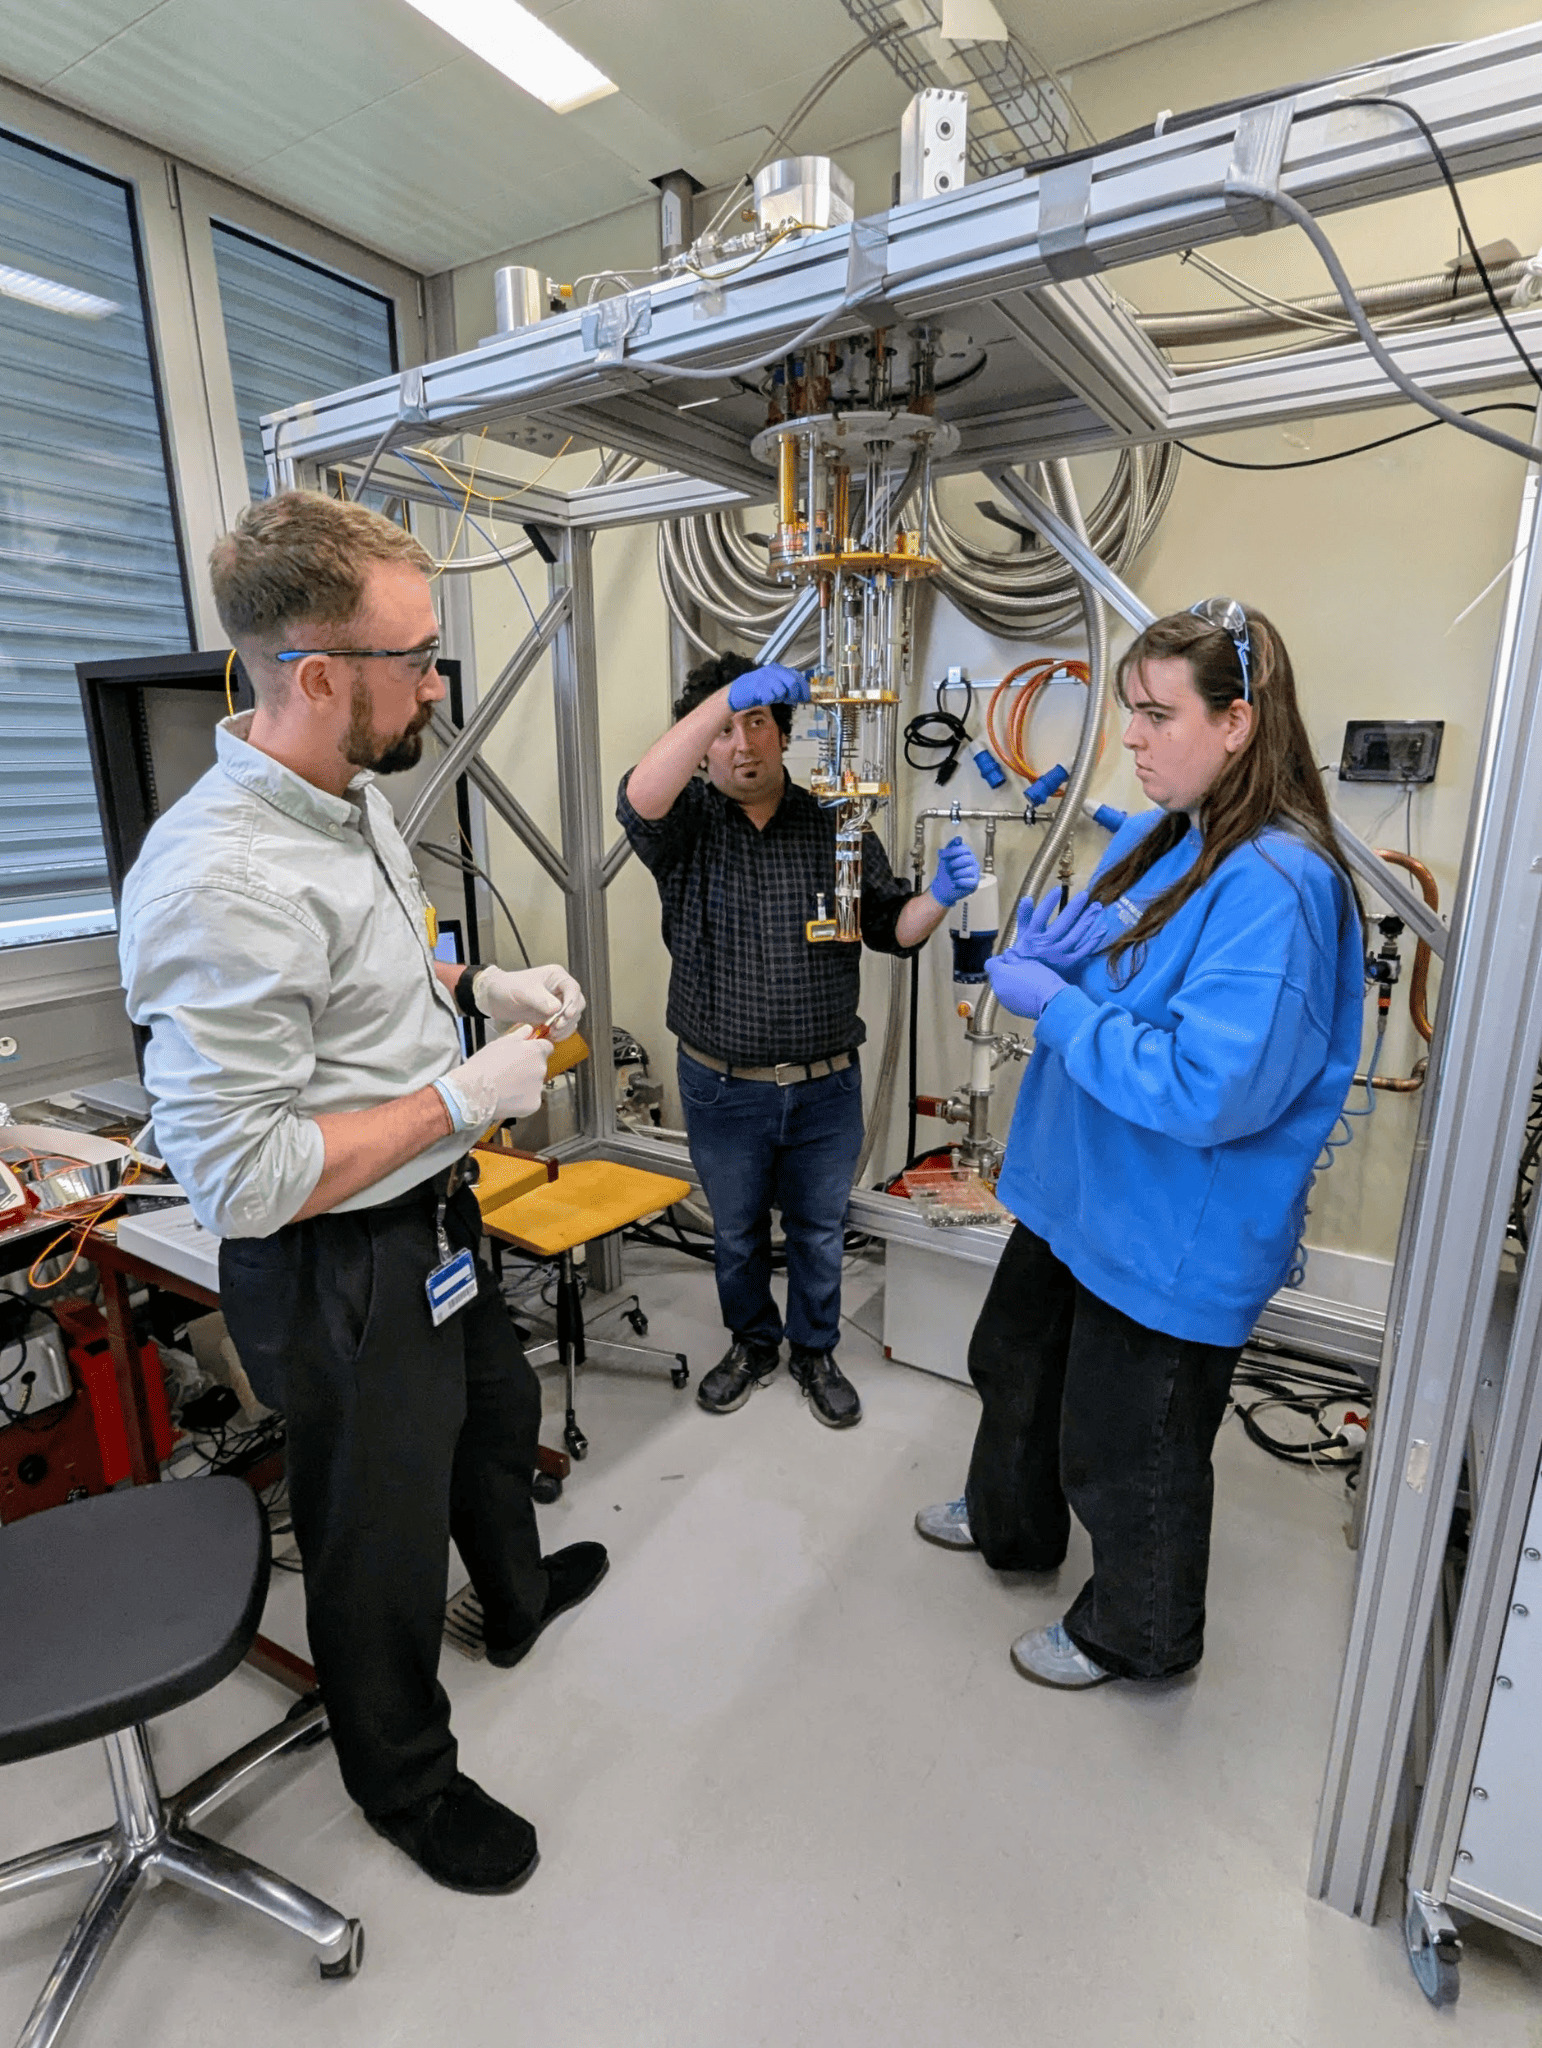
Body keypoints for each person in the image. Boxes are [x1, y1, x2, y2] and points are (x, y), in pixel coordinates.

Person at [120, 491, 608, 1895]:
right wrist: (460, 1099)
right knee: (375, 1530)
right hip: (339, 1262)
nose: (437, 685)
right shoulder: (219, 878)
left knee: (495, 1419)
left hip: (432, 1215)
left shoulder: (352, 802)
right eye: (418, 658)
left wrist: (476, 987)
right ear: (319, 673)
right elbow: (244, 1176)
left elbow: (377, 976)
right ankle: (403, 1777)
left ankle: (511, 1597)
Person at [915, 601, 1364, 1689]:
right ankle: (1010, 1519)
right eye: (1131, 711)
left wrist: (1054, 1005)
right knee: (1012, 1360)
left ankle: (1140, 1629)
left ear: (1238, 722)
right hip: (1086, 1192)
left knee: (1129, 1447)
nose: (1131, 738)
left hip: (1171, 1224)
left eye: (1159, 714)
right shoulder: (1182, 835)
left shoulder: (1276, 885)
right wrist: (1076, 960)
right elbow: (1141, 984)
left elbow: (1208, 1088)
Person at [619, 652, 979, 1429]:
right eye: (725, 729)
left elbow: (892, 927)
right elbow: (639, 798)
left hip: (824, 1085)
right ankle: (752, 1344)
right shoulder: (686, 830)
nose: (742, 743)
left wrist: (940, 899)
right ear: (703, 740)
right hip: (722, 1084)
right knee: (739, 1235)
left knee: (819, 1232)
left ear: (783, 736)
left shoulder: (838, 826)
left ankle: (815, 1350)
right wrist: (718, 700)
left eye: (758, 723)